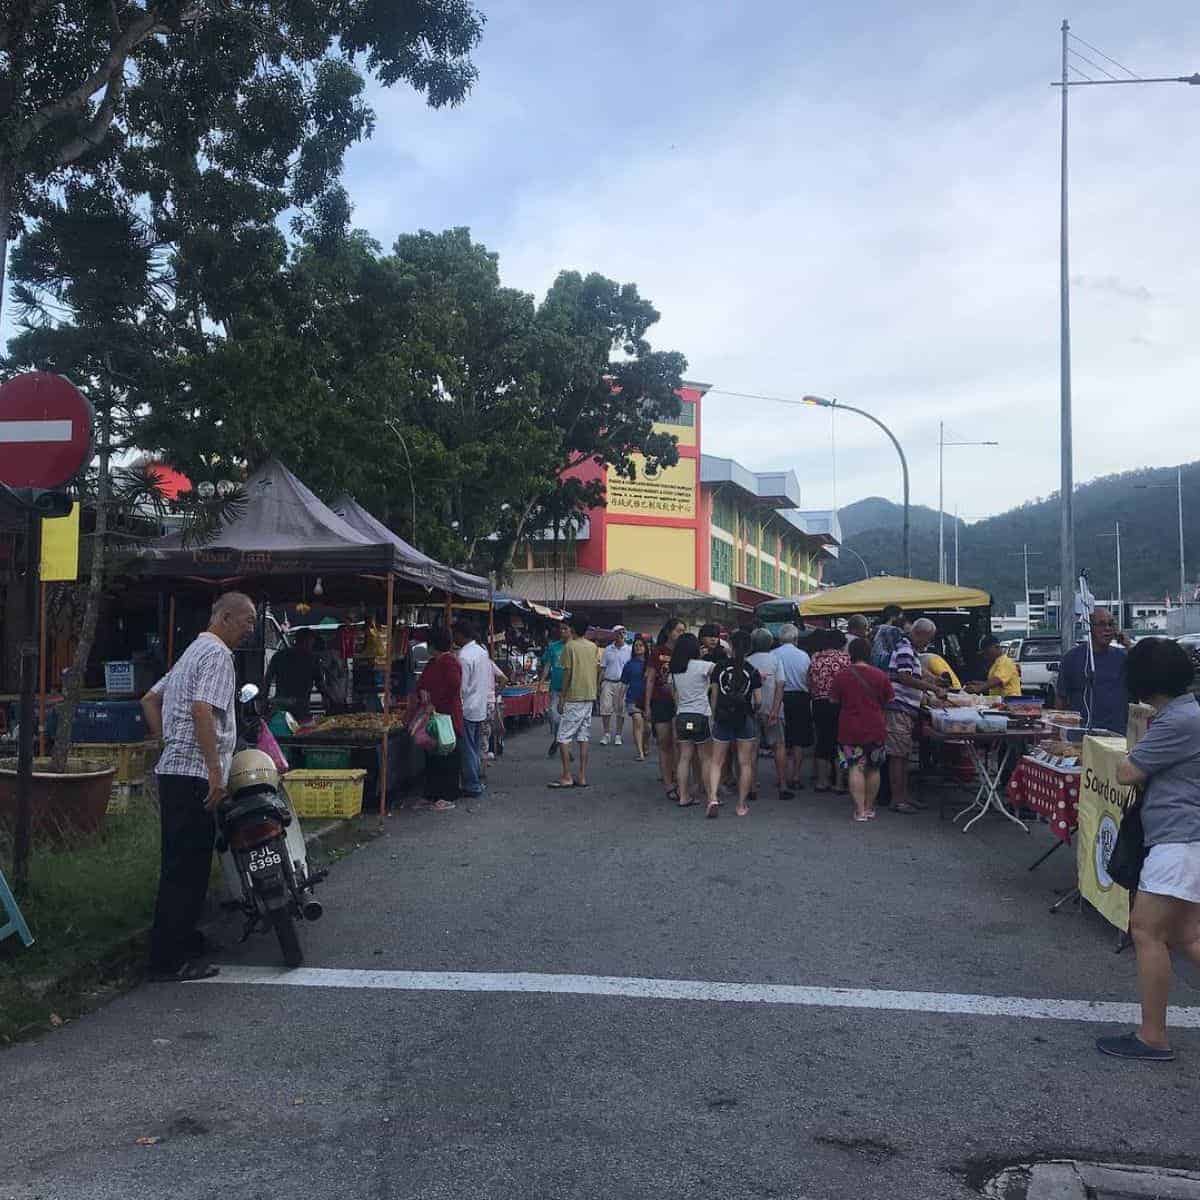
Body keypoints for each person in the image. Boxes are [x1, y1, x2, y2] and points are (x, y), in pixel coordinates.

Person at [140, 591, 257, 982]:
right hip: (194, 776)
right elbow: (202, 709)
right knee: (185, 869)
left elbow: (150, 700)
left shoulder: (192, 651)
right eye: (248, 621)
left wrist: (167, 741)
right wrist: (213, 772)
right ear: (225, 618)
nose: (250, 630)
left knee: (181, 865)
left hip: (176, 771)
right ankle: (168, 961)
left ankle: (181, 941)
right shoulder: (218, 655)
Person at [1098, 638, 1200, 1062]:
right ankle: (1152, 1031)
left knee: (1146, 930)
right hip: (1186, 837)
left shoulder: (1180, 721)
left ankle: (1153, 1036)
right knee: (1187, 935)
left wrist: (1138, 748)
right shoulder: (1183, 714)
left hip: (1179, 837)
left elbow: (1127, 771)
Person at [831, 637, 895, 822]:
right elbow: (889, 700)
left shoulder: (842, 675)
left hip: (849, 728)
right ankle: (868, 807)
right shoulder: (880, 675)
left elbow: (833, 700)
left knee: (854, 767)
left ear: (851, 653)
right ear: (869, 654)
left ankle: (859, 811)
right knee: (874, 768)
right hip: (875, 727)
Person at [886, 617, 946, 814]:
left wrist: (935, 681)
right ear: (919, 633)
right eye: (927, 639)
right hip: (899, 709)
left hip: (905, 709)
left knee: (903, 755)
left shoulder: (909, 650)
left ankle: (904, 796)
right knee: (897, 756)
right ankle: (898, 800)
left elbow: (914, 674)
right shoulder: (904, 648)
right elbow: (905, 677)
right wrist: (933, 688)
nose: (927, 643)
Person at [709, 630, 762, 817]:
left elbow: (714, 695)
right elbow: (758, 701)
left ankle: (713, 798)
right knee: (745, 763)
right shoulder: (752, 671)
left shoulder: (719, 668)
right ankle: (741, 805)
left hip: (723, 717)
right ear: (748, 648)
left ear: (730, 646)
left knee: (716, 762)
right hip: (744, 718)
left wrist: (714, 714)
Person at [1057, 607, 1130, 733]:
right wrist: (1058, 730)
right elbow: (1061, 699)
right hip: (1083, 734)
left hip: (1117, 734)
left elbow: (1147, 671)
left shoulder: (1123, 658)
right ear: (1090, 628)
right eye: (1101, 624)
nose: (1107, 628)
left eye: (1111, 624)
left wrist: (1128, 645)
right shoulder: (1072, 658)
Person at [415, 627, 462, 812]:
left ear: (433, 645)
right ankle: (432, 794)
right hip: (433, 717)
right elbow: (422, 684)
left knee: (448, 755)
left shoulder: (449, 662)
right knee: (433, 755)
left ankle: (448, 795)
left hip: (447, 717)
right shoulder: (433, 662)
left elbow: (454, 686)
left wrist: (435, 702)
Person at [670, 632, 716, 813]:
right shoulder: (704, 666)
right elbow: (720, 670)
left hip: (682, 717)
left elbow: (674, 694)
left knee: (684, 758)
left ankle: (683, 796)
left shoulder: (675, 670)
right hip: (700, 716)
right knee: (705, 758)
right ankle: (710, 797)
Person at [550, 612, 598, 788]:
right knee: (583, 736)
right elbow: (596, 670)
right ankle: (582, 776)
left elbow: (567, 673)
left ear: (573, 628)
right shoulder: (593, 647)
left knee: (563, 736)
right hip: (589, 696)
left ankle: (566, 775)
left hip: (574, 696)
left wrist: (562, 697)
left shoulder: (570, 647)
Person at [748, 627, 792, 801]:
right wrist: (775, 710)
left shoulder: (747, 660)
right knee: (779, 746)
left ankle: (752, 787)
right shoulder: (775, 660)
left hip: (752, 709)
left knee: (752, 749)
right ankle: (783, 785)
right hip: (773, 709)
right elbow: (780, 685)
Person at [645, 617, 686, 802]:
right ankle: (668, 783)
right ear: (669, 632)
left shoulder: (686, 652)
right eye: (678, 630)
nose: (681, 634)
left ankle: (680, 779)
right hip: (660, 702)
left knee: (680, 742)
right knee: (664, 742)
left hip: (680, 704)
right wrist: (646, 706)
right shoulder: (657, 652)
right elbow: (651, 679)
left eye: (683, 631)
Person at [808, 628, 852, 793]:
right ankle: (839, 783)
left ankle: (822, 781)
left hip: (819, 703)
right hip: (840, 704)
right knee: (840, 742)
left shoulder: (816, 658)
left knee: (822, 741)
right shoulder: (846, 659)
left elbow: (809, 682)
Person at [772, 623, 812, 791]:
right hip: (801, 698)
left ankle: (783, 776)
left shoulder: (773, 654)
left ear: (780, 638)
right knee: (798, 740)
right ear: (796, 638)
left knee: (781, 741)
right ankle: (795, 776)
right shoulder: (804, 655)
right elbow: (808, 679)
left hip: (780, 699)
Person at [453, 619, 491, 799]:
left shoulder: (464, 656)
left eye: (455, 635)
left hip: (467, 707)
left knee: (467, 748)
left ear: (461, 635)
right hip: (479, 706)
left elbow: (462, 687)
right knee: (474, 747)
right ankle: (475, 780)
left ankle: (472, 784)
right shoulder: (482, 652)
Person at [263, 627, 322, 720]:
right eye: (311, 642)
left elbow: (267, 680)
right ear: (307, 642)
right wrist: (328, 698)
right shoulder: (312, 659)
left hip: (281, 704)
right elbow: (320, 683)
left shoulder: (279, 656)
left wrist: (264, 701)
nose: (312, 645)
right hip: (301, 706)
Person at [599, 626, 632, 746]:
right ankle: (606, 734)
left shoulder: (629, 650)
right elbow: (602, 668)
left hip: (622, 683)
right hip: (608, 682)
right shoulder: (608, 649)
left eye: (622, 632)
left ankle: (618, 735)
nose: (620, 635)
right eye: (618, 633)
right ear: (614, 635)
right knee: (605, 709)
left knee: (621, 710)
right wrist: (599, 684)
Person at [540, 622, 570, 758]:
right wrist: (541, 683)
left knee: (567, 720)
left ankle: (563, 746)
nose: (563, 632)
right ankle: (559, 740)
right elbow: (547, 665)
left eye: (565, 629)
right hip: (555, 689)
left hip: (570, 690)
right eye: (561, 629)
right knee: (555, 716)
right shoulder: (553, 647)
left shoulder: (574, 647)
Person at [621, 636, 649, 760]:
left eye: (641, 645)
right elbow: (624, 683)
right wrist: (619, 700)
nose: (638, 648)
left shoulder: (650, 664)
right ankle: (640, 752)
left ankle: (645, 744)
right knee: (638, 722)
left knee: (647, 728)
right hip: (633, 699)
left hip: (648, 700)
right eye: (636, 646)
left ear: (646, 648)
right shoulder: (629, 665)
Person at [871, 605, 905, 670]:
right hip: (888, 665)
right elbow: (896, 650)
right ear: (892, 617)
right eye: (900, 616)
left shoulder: (875, 629)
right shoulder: (894, 630)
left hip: (874, 665)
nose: (902, 620)